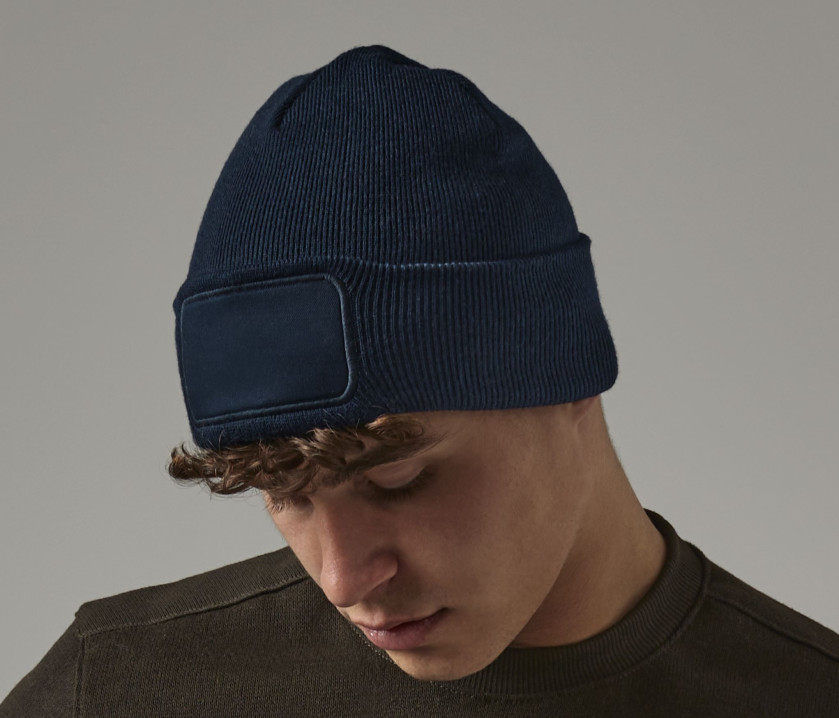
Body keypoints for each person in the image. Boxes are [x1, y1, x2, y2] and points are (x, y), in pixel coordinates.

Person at [2, 44, 837, 717]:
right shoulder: (113, 693)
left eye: (398, 479)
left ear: (567, 373)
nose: (341, 579)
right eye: (284, 492)